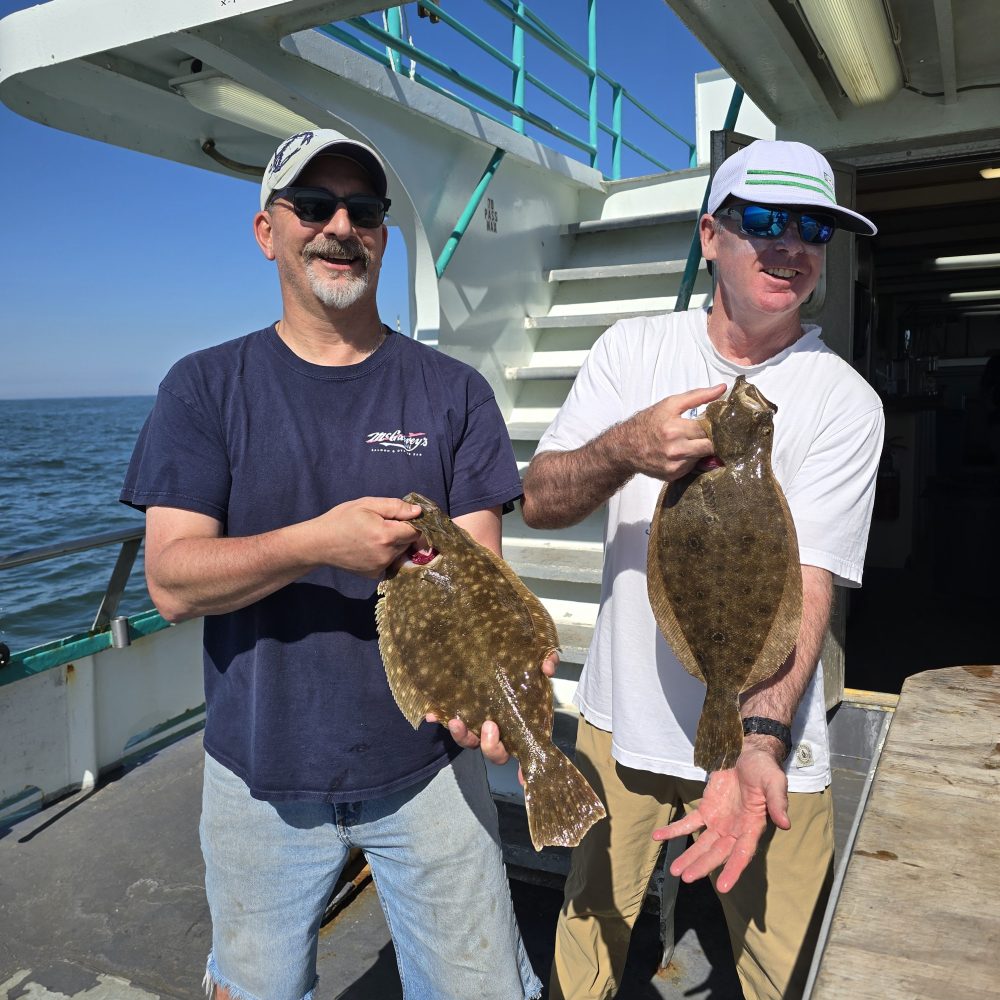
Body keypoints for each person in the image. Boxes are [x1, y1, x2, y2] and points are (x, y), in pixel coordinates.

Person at [121, 128, 542, 1000]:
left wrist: (502, 703)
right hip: (259, 777)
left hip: (428, 766)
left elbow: (485, 584)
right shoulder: (203, 388)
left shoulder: (453, 392)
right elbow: (169, 582)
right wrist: (320, 542)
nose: (340, 226)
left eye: (366, 210)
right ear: (267, 230)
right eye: (313, 207)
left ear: (385, 234)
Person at [519, 139, 884, 1000]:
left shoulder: (844, 400)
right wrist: (625, 447)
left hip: (772, 738)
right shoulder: (630, 350)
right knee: (590, 935)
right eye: (764, 222)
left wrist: (756, 739)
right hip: (624, 723)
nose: (791, 245)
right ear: (710, 236)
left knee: (793, 964)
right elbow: (537, 497)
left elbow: (807, 582)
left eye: (814, 230)